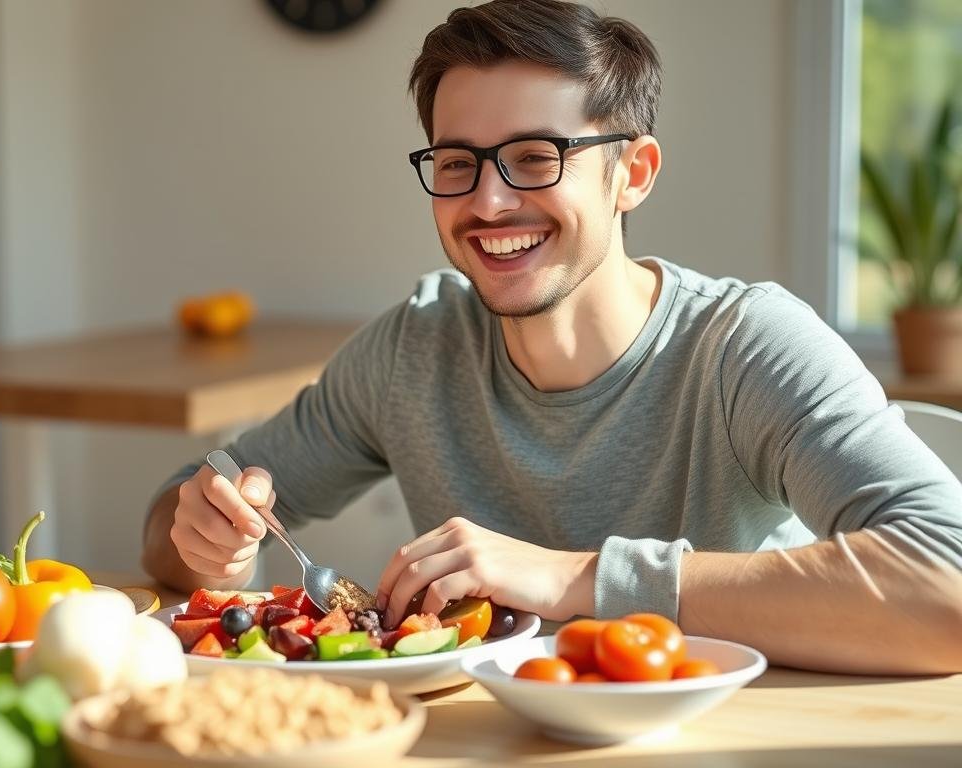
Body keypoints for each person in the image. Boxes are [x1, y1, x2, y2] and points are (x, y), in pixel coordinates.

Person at [140, 0, 962, 674]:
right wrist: (209, 546)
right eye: (458, 163)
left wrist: (574, 577)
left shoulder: (745, 347)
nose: (489, 203)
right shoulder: (413, 350)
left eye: (535, 157)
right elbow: (177, 512)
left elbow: (946, 588)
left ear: (631, 174)